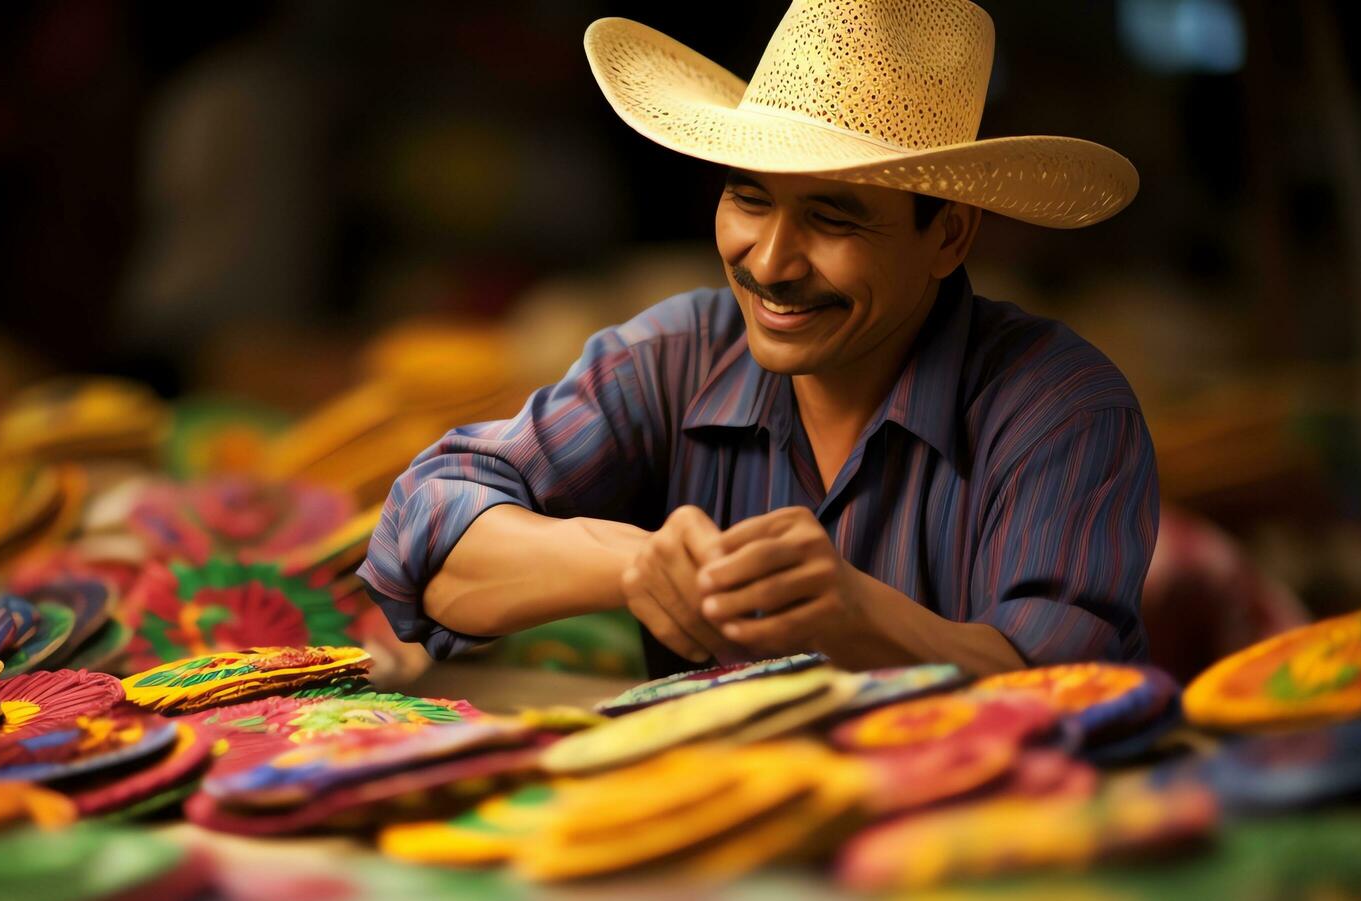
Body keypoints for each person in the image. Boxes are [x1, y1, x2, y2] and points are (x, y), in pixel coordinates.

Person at [359, 0, 1158, 678]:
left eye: (832, 218)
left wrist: (863, 620)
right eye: (749, 200)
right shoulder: (674, 358)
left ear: (947, 236)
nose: (769, 262)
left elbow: (1072, 686)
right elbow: (423, 532)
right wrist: (636, 565)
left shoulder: (1059, 408)